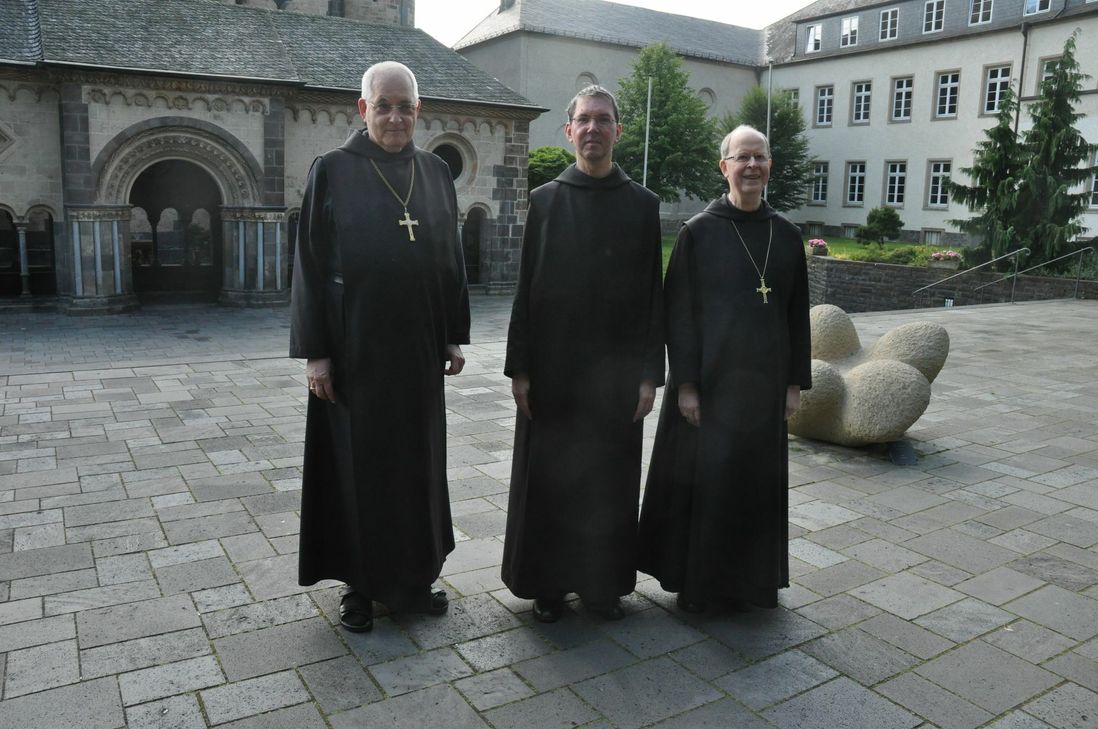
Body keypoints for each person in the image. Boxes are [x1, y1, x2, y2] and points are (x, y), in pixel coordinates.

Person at [289, 61, 470, 633]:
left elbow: (450, 258)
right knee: (358, 468)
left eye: (405, 106)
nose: (395, 116)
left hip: (417, 347)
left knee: (416, 465)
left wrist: (451, 333)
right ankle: (360, 588)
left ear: (418, 111)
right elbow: (310, 262)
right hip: (354, 347)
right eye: (384, 106)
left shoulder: (434, 172)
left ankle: (415, 579)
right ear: (363, 109)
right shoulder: (333, 169)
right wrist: (316, 352)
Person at [502, 85, 664, 623]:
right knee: (552, 479)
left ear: (619, 130)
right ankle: (548, 585)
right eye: (584, 120)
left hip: (617, 376)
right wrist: (520, 368)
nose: (593, 128)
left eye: (603, 119)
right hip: (555, 373)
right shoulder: (546, 201)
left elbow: (653, 295)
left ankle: (601, 585)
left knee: (608, 482)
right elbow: (526, 290)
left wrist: (649, 375)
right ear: (569, 130)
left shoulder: (642, 206)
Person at [638, 125, 811, 613]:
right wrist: (687, 386)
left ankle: (753, 584)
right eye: (742, 158)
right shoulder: (699, 232)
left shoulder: (787, 235)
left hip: (764, 389)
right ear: (724, 167)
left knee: (754, 486)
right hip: (711, 388)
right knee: (709, 486)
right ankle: (702, 586)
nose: (752, 166)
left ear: (770, 165)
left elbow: (797, 314)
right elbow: (678, 316)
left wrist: (794, 383)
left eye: (760, 157)